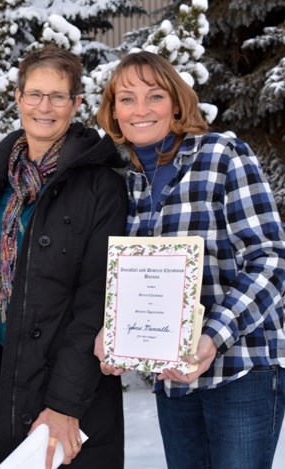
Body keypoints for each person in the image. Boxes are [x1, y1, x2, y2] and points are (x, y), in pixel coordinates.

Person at [94, 50, 285, 469]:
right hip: (175, 381)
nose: (140, 109)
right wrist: (113, 334)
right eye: (126, 99)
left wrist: (212, 336)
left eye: (154, 96)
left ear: (177, 103)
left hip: (240, 371)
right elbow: (135, 280)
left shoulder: (222, 156)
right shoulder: (127, 183)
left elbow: (269, 260)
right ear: (113, 112)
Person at [0, 45, 127, 469]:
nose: (45, 107)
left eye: (58, 96)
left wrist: (64, 404)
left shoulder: (101, 185)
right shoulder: (0, 177)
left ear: (76, 104)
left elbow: (98, 301)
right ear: (18, 98)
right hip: (2, 384)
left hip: (68, 391)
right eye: (35, 94)